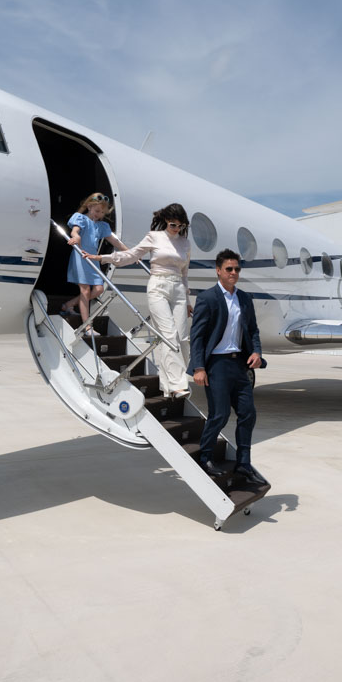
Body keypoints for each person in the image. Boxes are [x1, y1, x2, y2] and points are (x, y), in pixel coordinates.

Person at [88, 203, 192, 398]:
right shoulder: (154, 236)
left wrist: (187, 301)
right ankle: (177, 385)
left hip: (178, 288)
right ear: (165, 222)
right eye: (172, 225)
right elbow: (131, 255)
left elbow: (185, 274)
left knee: (183, 339)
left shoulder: (185, 243)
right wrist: (102, 258)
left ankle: (171, 383)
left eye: (180, 226)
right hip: (158, 286)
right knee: (169, 336)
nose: (176, 229)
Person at [189, 249, 268, 488]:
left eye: (237, 269)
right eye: (229, 269)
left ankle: (244, 463)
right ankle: (204, 458)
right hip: (217, 365)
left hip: (239, 364)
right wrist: (199, 367)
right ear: (218, 270)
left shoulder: (244, 298)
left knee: (248, 414)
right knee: (220, 414)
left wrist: (256, 352)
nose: (234, 273)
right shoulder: (207, 298)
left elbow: (253, 330)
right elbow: (198, 336)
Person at [65, 193, 126, 331]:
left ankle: (69, 304)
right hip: (81, 256)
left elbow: (114, 241)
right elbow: (75, 231)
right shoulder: (81, 219)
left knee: (99, 289)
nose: (100, 214)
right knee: (85, 290)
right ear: (89, 207)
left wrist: (130, 253)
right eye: (97, 211)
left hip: (93, 258)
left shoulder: (102, 226)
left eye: (103, 212)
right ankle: (87, 326)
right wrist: (76, 237)